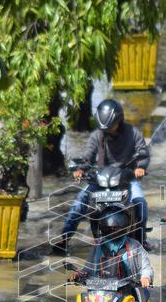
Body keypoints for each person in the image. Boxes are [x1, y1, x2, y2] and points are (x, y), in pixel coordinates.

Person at [53, 99, 150, 253]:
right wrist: (80, 169)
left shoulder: (133, 133)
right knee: (79, 202)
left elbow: (143, 152)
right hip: (101, 180)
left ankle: (142, 238)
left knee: (140, 202)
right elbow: (88, 156)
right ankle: (65, 239)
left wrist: (140, 167)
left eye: (111, 126)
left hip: (126, 179)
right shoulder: (97, 136)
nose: (108, 130)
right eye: (105, 128)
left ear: (119, 120)